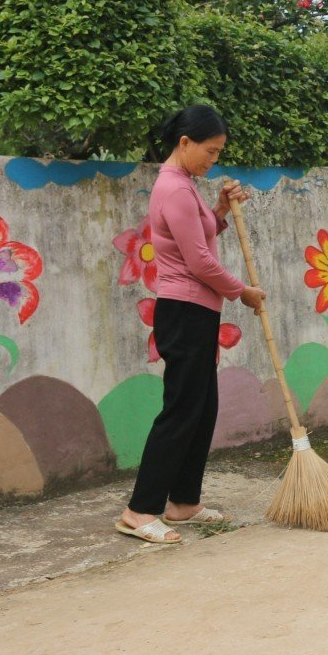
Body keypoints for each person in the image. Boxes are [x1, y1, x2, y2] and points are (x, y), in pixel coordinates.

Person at [116, 106, 266, 544]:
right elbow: (198, 261)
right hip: (183, 312)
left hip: (198, 311)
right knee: (182, 411)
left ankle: (184, 502)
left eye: (218, 153)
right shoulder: (175, 189)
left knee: (202, 408)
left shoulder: (186, 185)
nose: (213, 160)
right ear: (185, 143)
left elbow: (199, 239)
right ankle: (140, 509)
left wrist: (218, 210)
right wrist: (242, 291)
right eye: (210, 151)